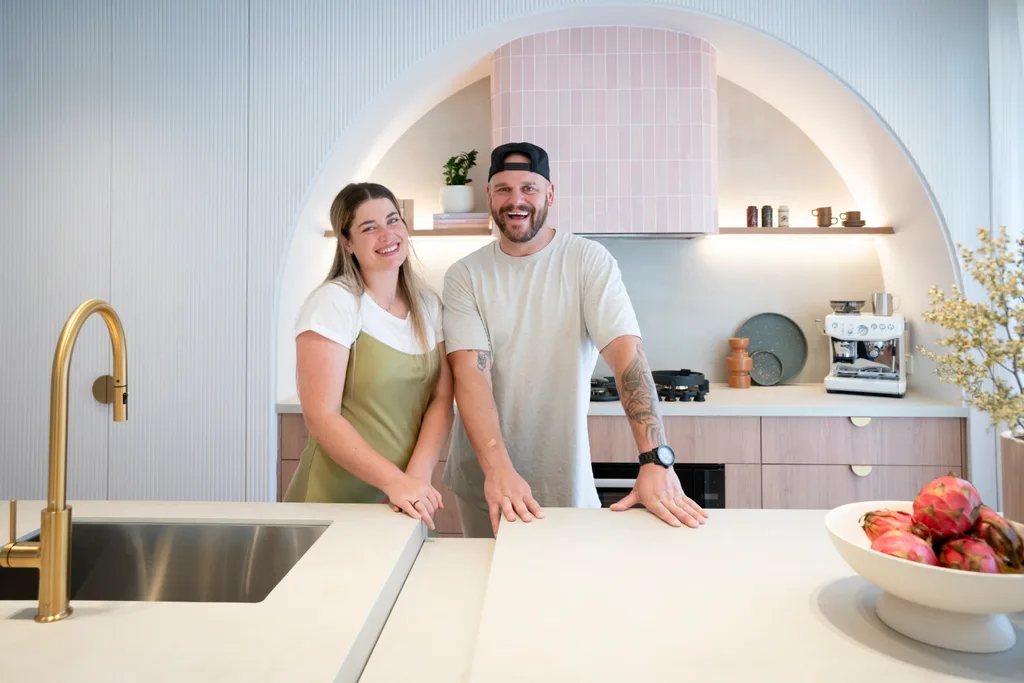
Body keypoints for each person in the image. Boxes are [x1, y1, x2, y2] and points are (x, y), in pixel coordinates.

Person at [440, 142, 710, 538]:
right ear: (489, 196)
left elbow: (626, 356)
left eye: (529, 188)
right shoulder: (465, 275)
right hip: (486, 479)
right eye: (504, 189)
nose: (516, 201)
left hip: (563, 479)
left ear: (550, 194)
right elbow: (470, 376)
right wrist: (498, 470)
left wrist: (655, 459)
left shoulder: (588, 261)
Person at [284, 182, 453, 532]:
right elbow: (322, 418)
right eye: (369, 227)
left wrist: (415, 478)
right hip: (334, 499)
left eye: (393, 220)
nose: (387, 234)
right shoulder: (335, 303)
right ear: (347, 242)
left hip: (401, 501)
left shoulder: (427, 306)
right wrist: (395, 482)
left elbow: (440, 398)